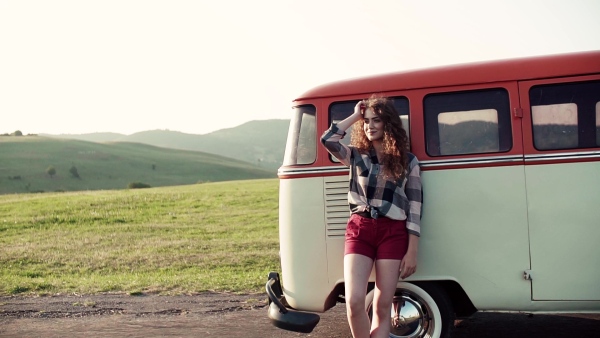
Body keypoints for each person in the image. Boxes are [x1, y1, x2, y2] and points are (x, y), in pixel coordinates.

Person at [320, 96, 422, 338]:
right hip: (360, 229)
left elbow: (416, 206)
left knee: (382, 306)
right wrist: (356, 115)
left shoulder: (408, 161)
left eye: (376, 120)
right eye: (366, 122)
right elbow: (328, 139)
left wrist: (412, 250)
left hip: (392, 232)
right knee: (355, 301)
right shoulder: (355, 155)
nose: (370, 126)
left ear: (389, 123)